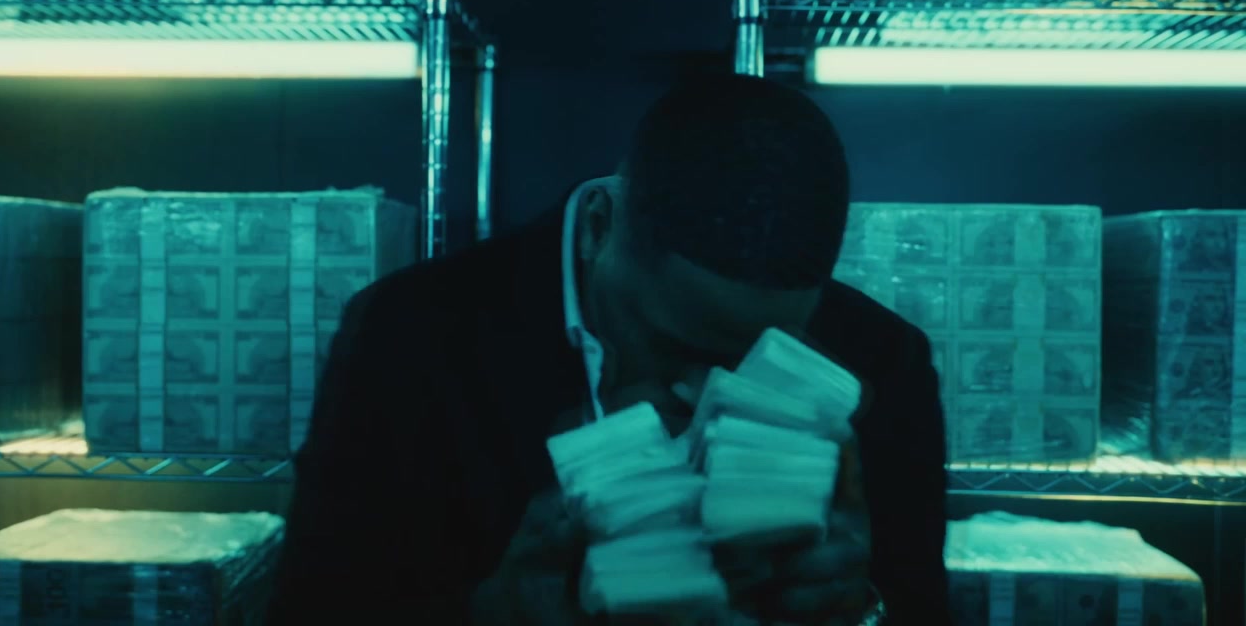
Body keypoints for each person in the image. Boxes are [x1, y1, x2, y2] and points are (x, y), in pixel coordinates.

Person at [264, 74, 950, 625]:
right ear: (599, 227)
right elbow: (313, 609)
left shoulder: (883, 364)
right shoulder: (411, 335)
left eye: (756, 360)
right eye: (674, 346)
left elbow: (918, 608)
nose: (703, 393)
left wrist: (862, 608)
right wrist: (490, 613)